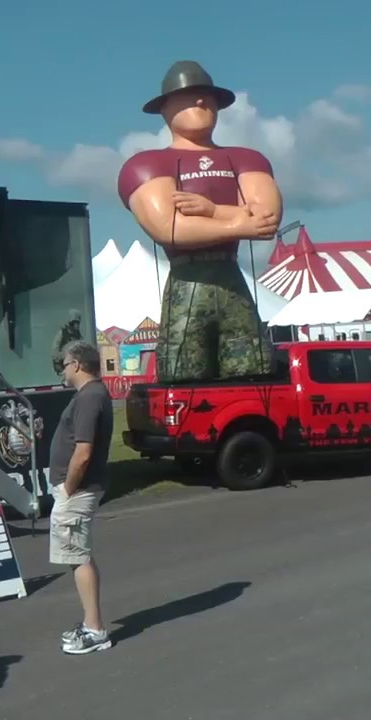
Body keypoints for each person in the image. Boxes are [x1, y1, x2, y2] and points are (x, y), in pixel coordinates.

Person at [118, 60, 282, 382]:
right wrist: (240, 221)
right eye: (188, 95)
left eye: (207, 96)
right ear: (165, 108)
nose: (200, 101)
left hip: (232, 279)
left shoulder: (247, 158)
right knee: (183, 371)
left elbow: (267, 219)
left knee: (251, 369)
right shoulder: (147, 164)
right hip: (186, 283)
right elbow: (169, 228)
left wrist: (211, 210)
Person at [50, 340, 115, 655]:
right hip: (78, 489)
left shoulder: (90, 397)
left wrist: (68, 488)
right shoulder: (91, 395)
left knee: (78, 556)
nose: (62, 371)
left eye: (64, 365)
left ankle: (95, 629)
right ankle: (92, 623)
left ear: (76, 364)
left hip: (77, 490)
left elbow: (83, 452)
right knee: (78, 555)